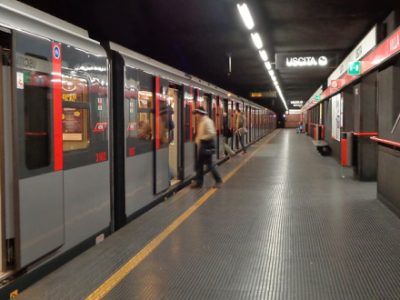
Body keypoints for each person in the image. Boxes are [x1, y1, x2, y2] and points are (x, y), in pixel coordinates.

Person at [191, 106, 223, 188]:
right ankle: (199, 182)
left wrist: (202, 139)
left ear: (200, 113)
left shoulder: (207, 121)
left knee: (209, 164)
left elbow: (212, 133)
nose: (196, 116)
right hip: (203, 145)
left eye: (196, 114)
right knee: (200, 164)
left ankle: (218, 180)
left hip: (206, 145)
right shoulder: (202, 121)